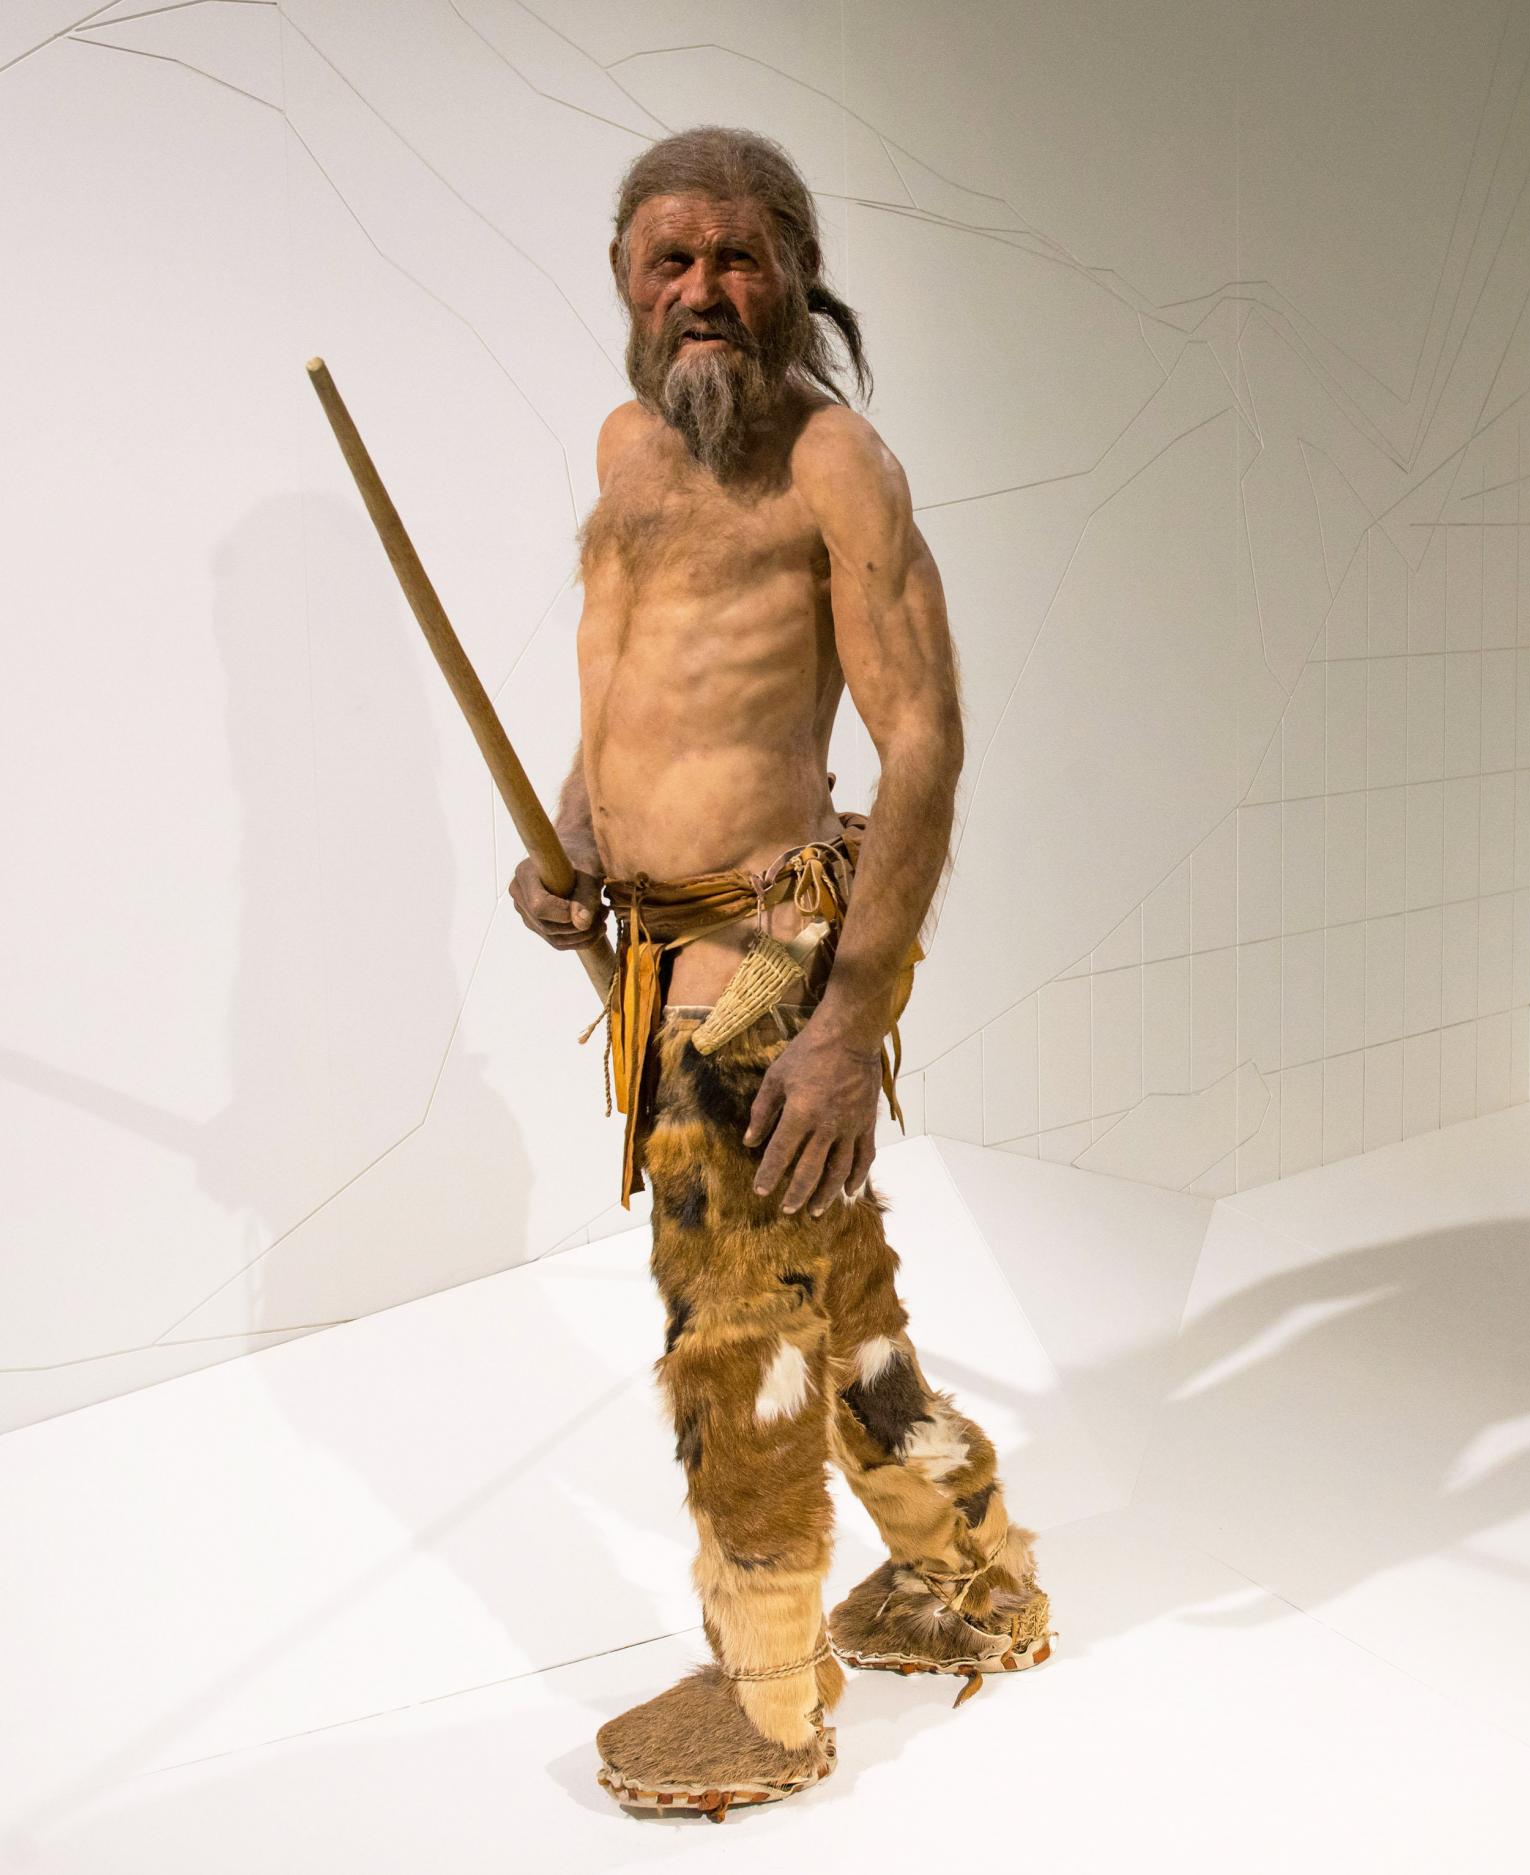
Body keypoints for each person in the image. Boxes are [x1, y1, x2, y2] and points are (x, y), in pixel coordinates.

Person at [507, 125, 1049, 1822]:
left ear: (795, 271)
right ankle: (974, 1571)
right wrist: (574, 832)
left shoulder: (834, 466)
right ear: (623, 278)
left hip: (764, 969)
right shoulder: (624, 447)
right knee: (838, 1305)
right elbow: (631, 687)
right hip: (658, 957)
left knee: (735, 1337)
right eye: (669, 261)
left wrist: (847, 1025)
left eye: (737, 258)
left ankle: (768, 1694)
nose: (703, 292)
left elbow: (928, 743)